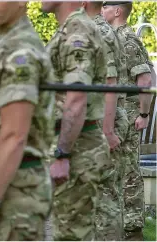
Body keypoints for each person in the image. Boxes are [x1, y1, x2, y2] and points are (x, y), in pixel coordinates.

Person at [0, 1, 56, 240]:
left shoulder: (20, 52)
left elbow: (15, 134)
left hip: (16, 190)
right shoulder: (6, 41)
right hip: (8, 181)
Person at [42, 1, 112, 240]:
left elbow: (76, 97)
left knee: (71, 236)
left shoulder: (78, 31)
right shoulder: (69, 28)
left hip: (77, 148)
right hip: (75, 144)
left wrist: (63, 154)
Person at [102, 1, 156, 240]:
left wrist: (144, 115)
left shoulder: (127, 40)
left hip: (131, 114)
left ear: (117, 10)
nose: (101, 10)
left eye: (105, 6)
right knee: (118, 170)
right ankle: (120, 224)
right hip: (121, 113)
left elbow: (145, 80)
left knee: (130, 173)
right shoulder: (114, 37)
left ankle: (133, 228)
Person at [83, 1, 129, 240]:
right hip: (97, 123)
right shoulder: (87, 28)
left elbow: (110, 84)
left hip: (102, 123)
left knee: (105, 200)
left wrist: (108, 131)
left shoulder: (98, 31)